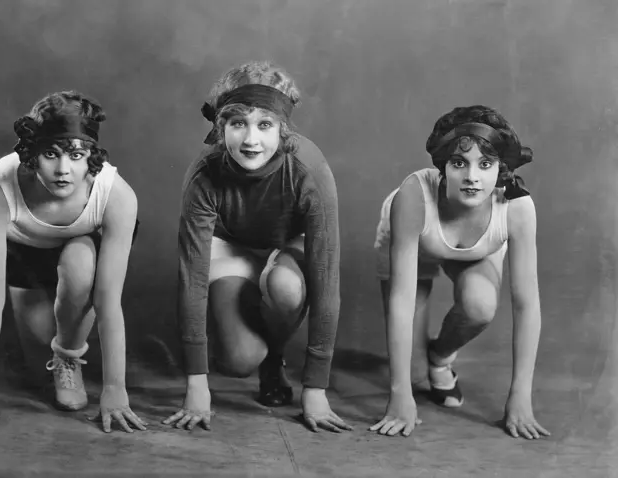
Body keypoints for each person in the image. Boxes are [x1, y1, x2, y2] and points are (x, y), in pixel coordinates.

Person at [163, 61, 351, 434]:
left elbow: (326, 276)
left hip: (287, 245)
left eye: (264, 125)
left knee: (285, 286)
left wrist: (315, 386)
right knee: (237, 361)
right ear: (221, 128)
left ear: (283, 128)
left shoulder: (307, 167)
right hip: (232, 246)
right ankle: (257, 345)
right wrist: (196, 384)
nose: (251, 140)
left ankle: (276, 357)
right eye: (238, 124)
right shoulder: (205, 174)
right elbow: (192, 278)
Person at [0, 91, 146, 434]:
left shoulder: (116, 195)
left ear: (91, 158)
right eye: (51, 154)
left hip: (83, 259)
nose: (63, 170)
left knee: (80, 258)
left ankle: (68, 353)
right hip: (26, 259)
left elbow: (109, 303)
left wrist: (115, 390)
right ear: (31, 154)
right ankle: (48, 339)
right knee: (35, 362)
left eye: (76, 156)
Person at [369, 105, 551, 440]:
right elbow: (401, 302)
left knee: (480, 306)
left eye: (485, 164)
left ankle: (441, 357)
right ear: (442, 167)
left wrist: (521, 397)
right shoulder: (413, 197)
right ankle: (424, 369)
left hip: (478, 251)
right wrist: (399, 396)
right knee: (412, 376)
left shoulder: (517, 207)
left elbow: (527, 305)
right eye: (459, 163)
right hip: (418, 243)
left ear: (501, 169)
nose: (472, 176)